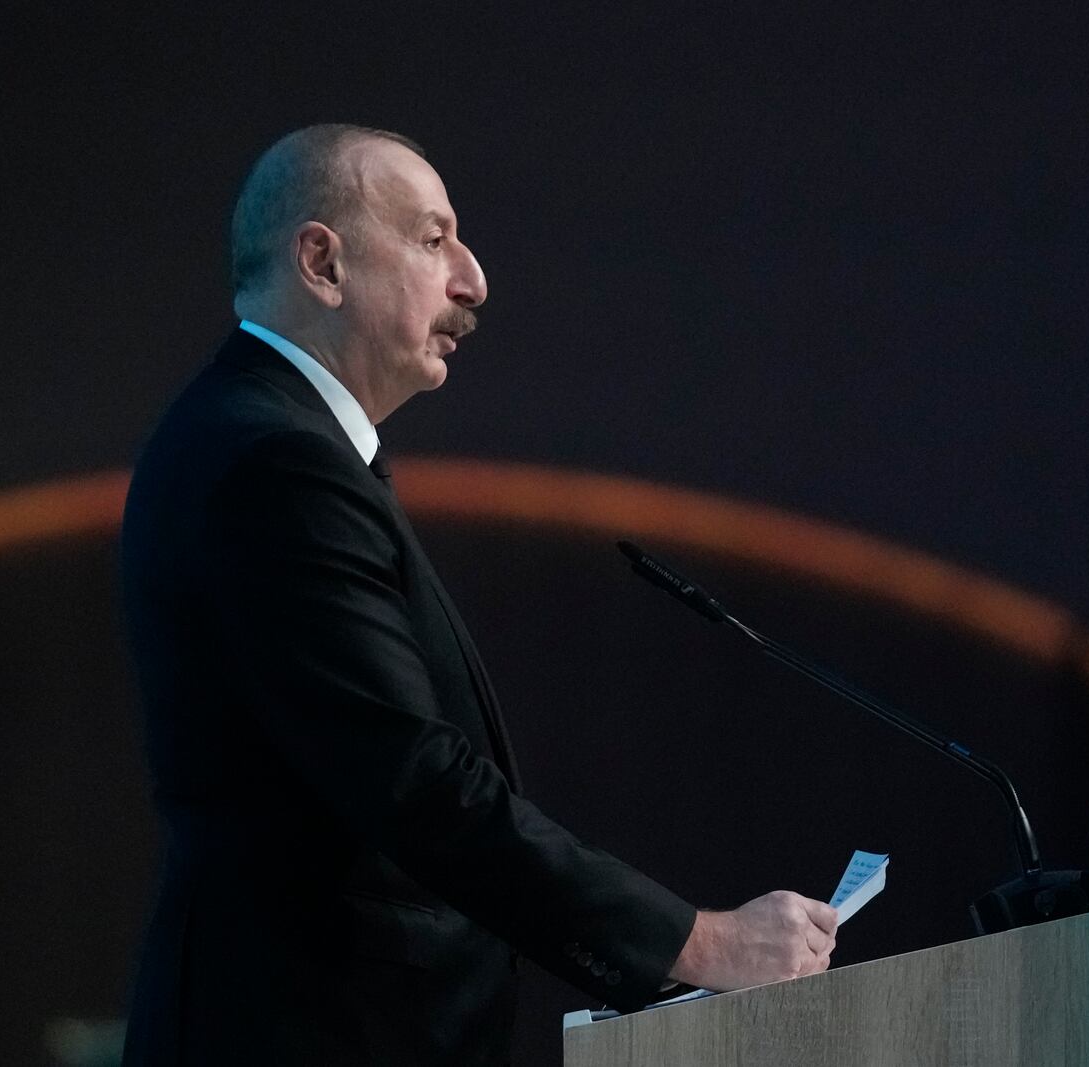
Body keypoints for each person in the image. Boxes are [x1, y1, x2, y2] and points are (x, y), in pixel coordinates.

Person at [117, 123, 837, 1065]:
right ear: (322, 262)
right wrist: (701, 942)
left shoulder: (264, 439)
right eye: (430, 238)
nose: (473, 279)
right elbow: (416, 785)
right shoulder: (274, 461)